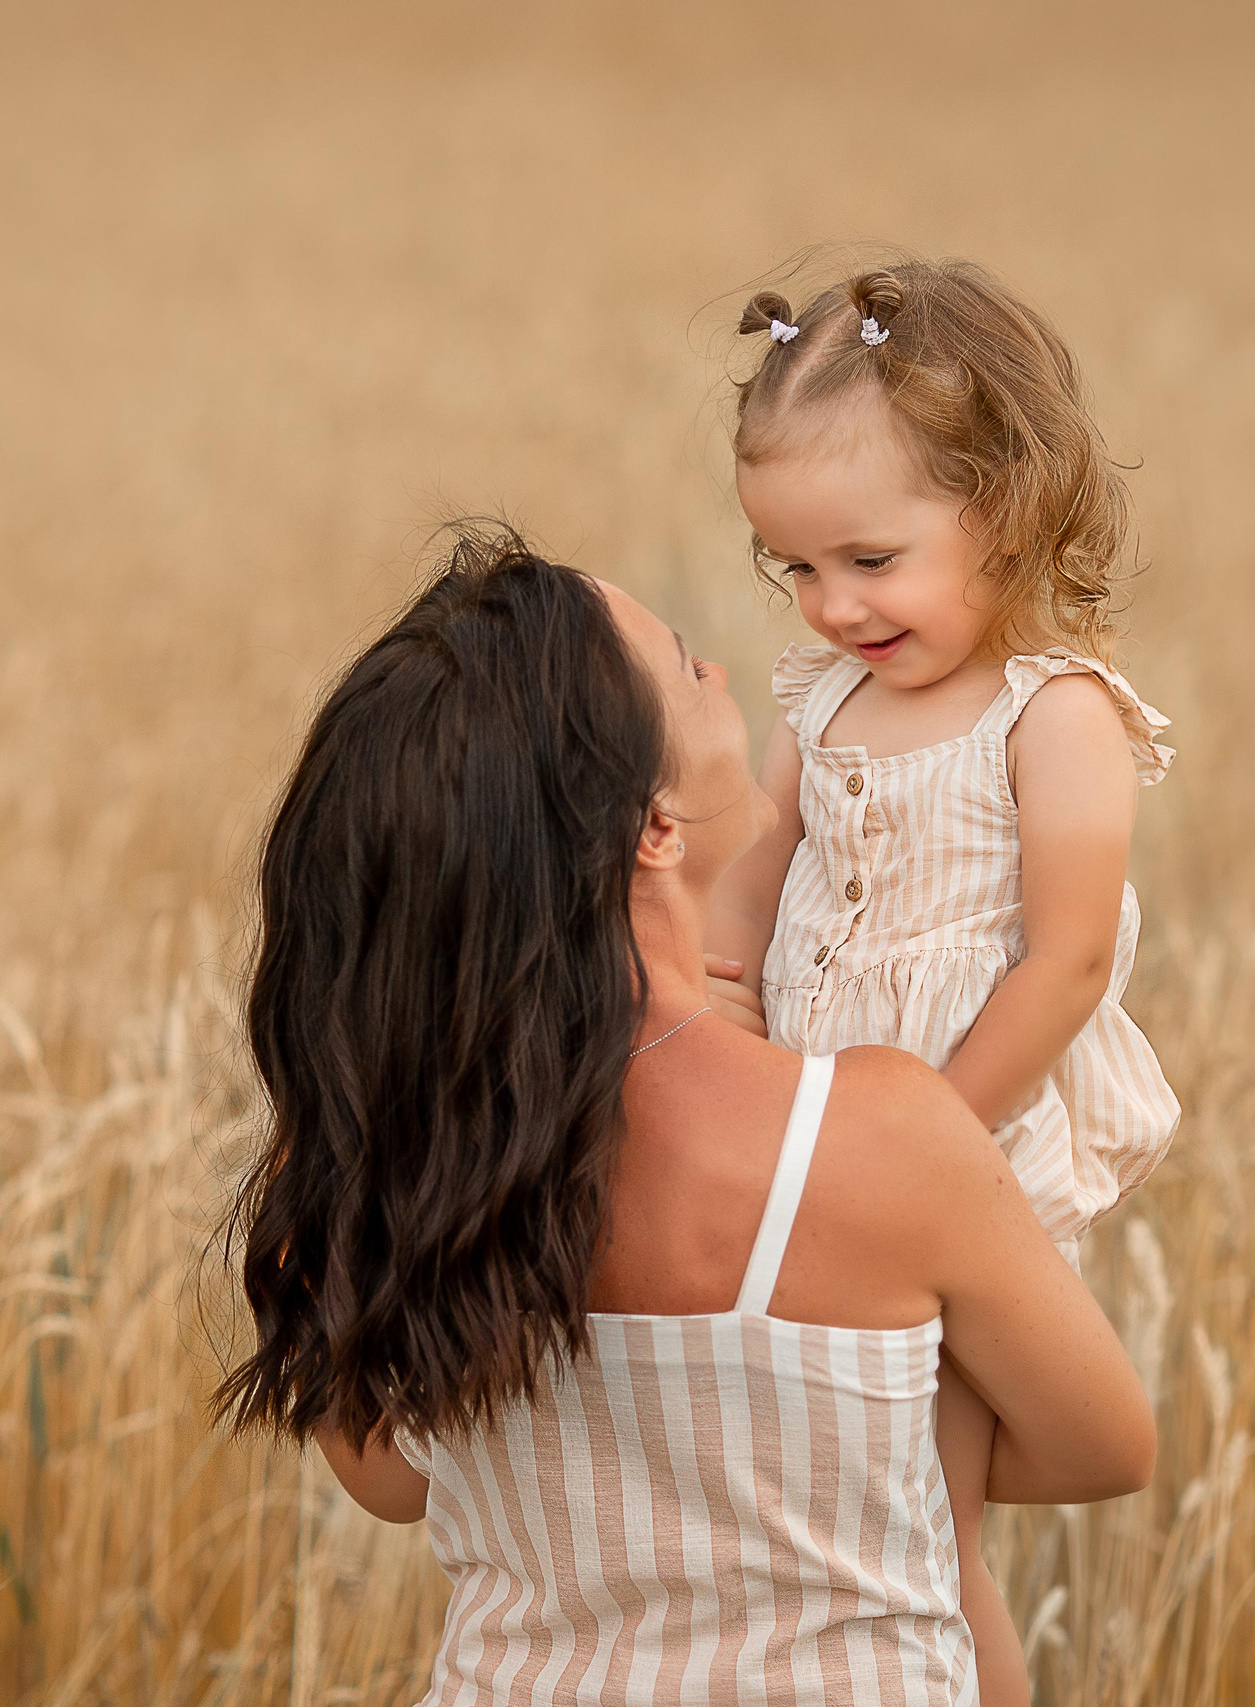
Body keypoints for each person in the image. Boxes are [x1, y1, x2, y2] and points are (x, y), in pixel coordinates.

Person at [216, 528, 1152, 1704]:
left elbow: (401, 1485)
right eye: (688, 666)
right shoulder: (875, 1136)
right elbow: (1103, 1445)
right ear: (652, 827)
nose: (726, 677)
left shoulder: (385, 1169)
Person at [703, 256, 1183, 1705]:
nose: (831, 603)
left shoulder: (1059, 715)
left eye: (870, 558)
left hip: (963, 1137)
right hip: (812, 1123)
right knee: (820, 1490)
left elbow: (1069, 955)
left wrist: (927, 1138)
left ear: (1011, 505)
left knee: (923, 1517)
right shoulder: (829, 696)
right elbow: (766, 847)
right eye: (795, 566)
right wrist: (719, 986)